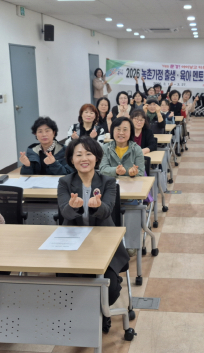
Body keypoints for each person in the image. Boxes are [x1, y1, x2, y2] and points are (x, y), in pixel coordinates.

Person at [57, 136, 130, 333]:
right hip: (73, 244)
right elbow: (65, 213)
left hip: (103, 243)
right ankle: (85, 314)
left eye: (88, 154)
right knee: (66, 284)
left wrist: (97, 207)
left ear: (97, 157)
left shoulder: (108, 181)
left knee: (110, 290)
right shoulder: (64, 182)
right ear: (71, 159)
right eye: (78, 154)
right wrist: (73, 207)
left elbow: (107, 210)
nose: (84, 158)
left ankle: (101, 313)